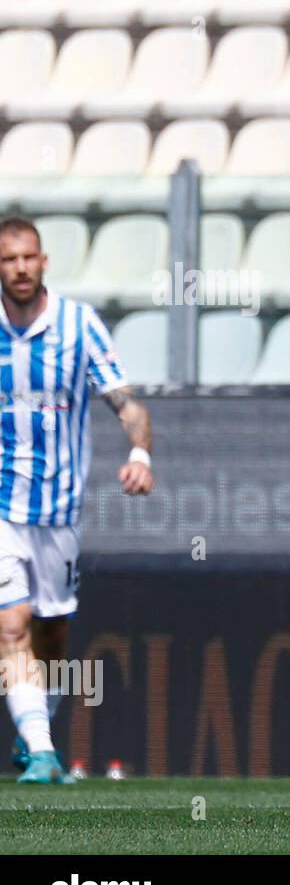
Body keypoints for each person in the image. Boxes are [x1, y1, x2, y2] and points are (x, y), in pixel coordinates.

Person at [0, 217, 154, 784]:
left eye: (28, 258)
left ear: (44, 262)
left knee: (52, 638)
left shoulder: (78, 325)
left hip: (60, 514)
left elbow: (125, 401)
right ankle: (42, 753)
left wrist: (140, 454)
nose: (19, 268)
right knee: (10, 626)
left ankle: (32, 729)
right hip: (1, 509)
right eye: (8, 259)